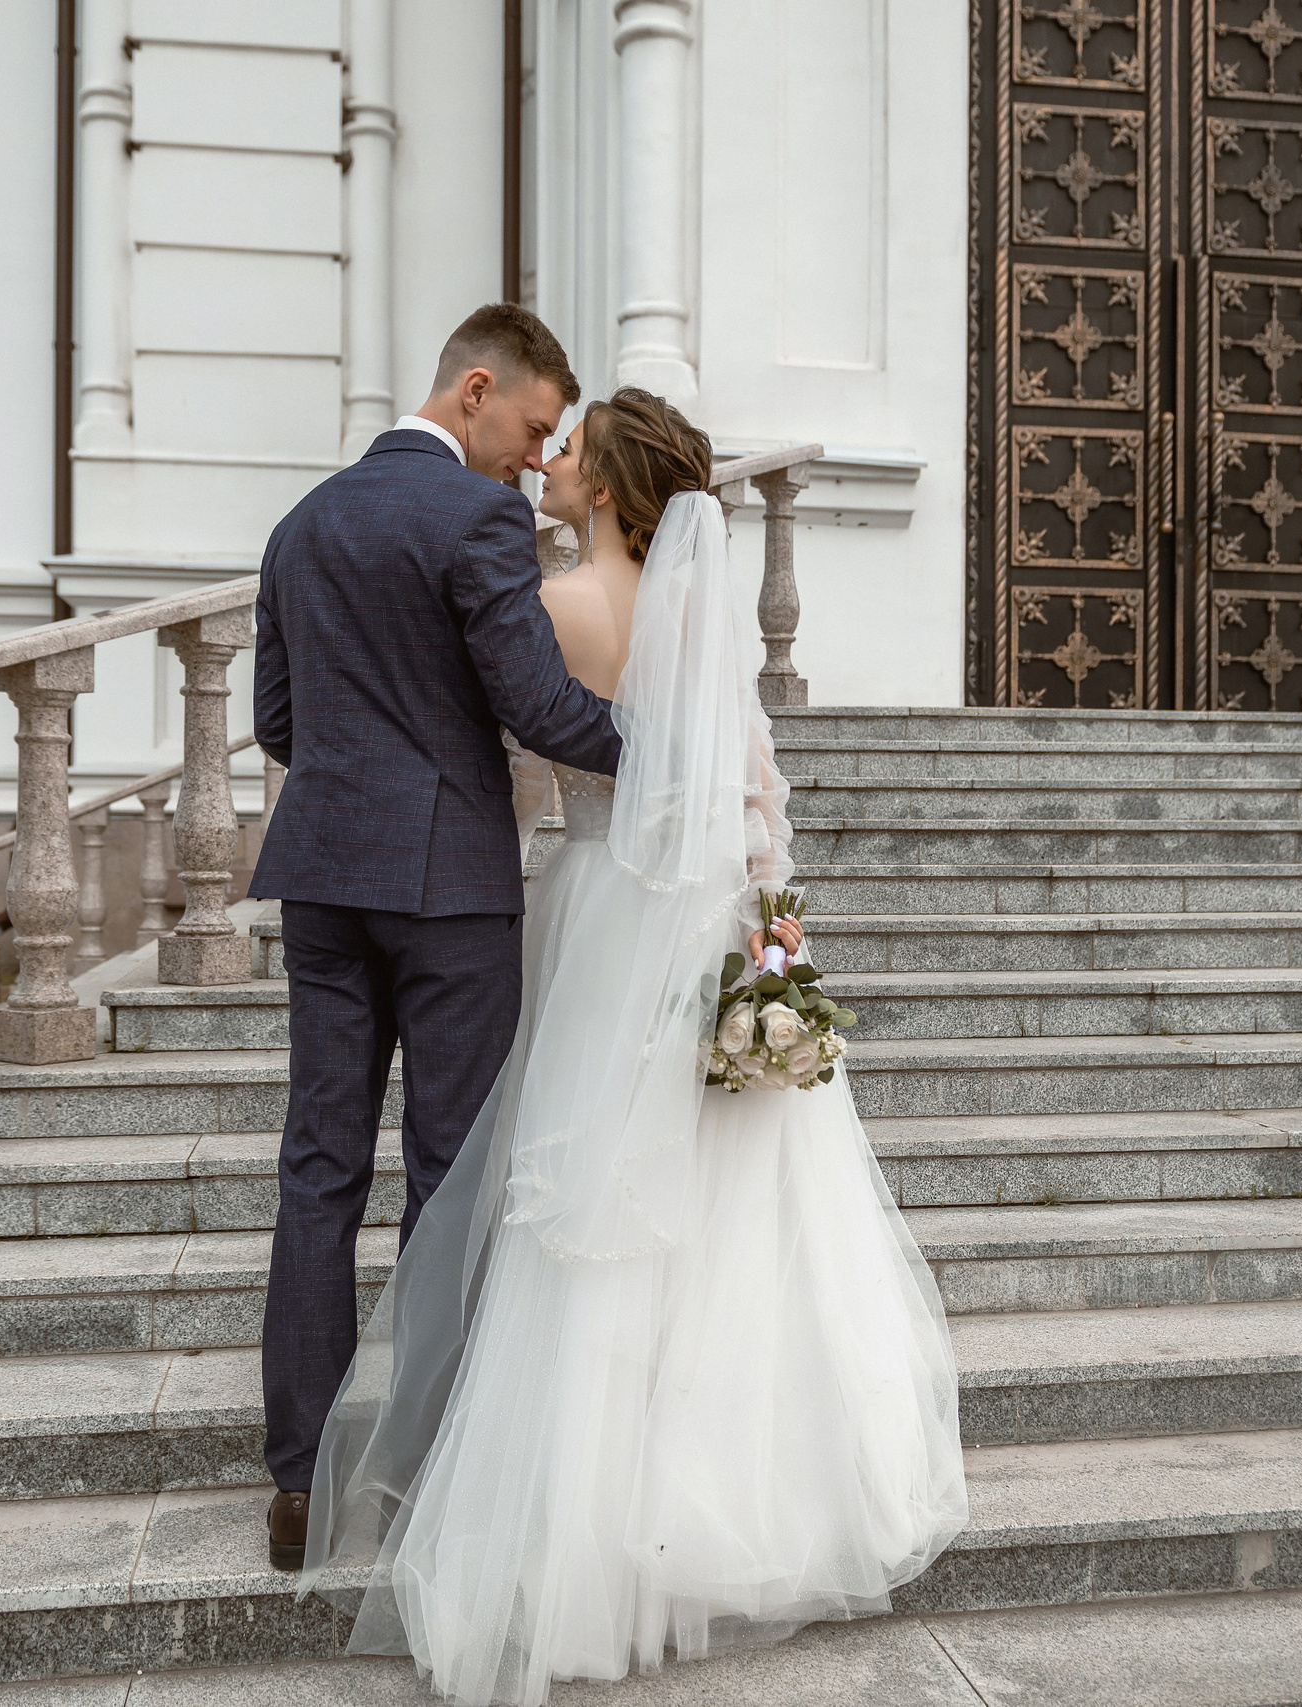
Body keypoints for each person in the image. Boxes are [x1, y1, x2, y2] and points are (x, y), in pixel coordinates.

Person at [299, 389, 968, 1706]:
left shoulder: (547, 610)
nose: (549, 463)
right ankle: (728, 1504)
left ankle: (581, 1531)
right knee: (719, 1212)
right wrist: (767, 930)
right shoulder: (699, 616)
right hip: (704, 915)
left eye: (571, 451)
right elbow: (757, 793)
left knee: (583, 1201)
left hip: (600, 904)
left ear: (605, 486)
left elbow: (513, 776)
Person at [249, 305, 625, 1573]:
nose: (535, 458)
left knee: (318, 1168)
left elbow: (281, 720)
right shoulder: (476, 521)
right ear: (474, 389)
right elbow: (535, 704)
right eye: (530, 428)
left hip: (322, 880)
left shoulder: (301, 523)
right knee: (449, 1177)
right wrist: (667, 749)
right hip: (451, 887)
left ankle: (298, 1478)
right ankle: (421, 1469)